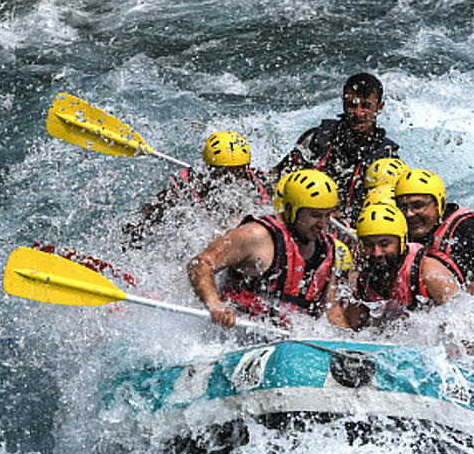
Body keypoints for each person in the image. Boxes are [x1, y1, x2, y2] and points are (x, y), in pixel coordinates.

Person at [187, 169, 346, 329]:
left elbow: (332, 312)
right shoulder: (256, 235)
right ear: (290, 209)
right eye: (315, 215)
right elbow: (200, 264)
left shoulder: (327, 249)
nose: (323, 223)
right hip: (234, 337)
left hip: (289, 345)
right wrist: (215, 306)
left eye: (327, 215)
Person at [273, 73, 399, 225]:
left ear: (379, 108)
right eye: (352, 105)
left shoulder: (386, 156)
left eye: (366, 106)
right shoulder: (318, 138)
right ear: (344, 104)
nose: (358, 113)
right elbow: (278, 178)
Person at [124, 130, 272, 248]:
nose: (229, 180)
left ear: (247, 168)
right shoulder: (185, 190)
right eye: (222, 172)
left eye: (237, 172)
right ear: (209, 170)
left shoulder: (264, 184)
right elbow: (139, 222)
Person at [332, 203, 462, 331]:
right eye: (368, 245)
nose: (376, 252)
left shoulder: (428, 272)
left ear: (401, 241)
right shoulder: (362, 279)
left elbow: (463, 323)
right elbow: (355, 329)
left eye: (384, 244)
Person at [393, 169, 474, 304]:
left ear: (440, 203)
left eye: (418, 205)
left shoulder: (467, 228)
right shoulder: (403, 230)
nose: (409, 214)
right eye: (403, 207)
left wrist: (455, 306)